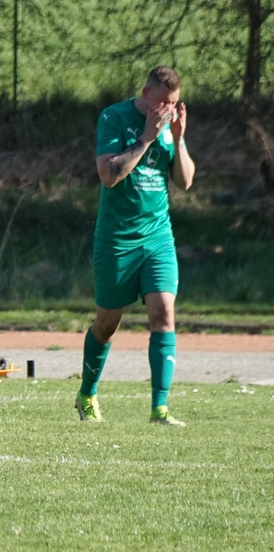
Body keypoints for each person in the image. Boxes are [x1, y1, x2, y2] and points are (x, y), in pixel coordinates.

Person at [75, 65, 195, 426]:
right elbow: (108, 176)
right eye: (162, 103)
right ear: (145, 94)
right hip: (117, 239)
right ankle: (87, 393)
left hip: (158, 237)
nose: (167, 110)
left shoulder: (169, 125)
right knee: (107, 324)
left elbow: (185, 181)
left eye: (173, 104)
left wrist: (179, 138)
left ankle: (160, 409)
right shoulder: (114, 118)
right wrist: (146, 138)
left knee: (164, 314)